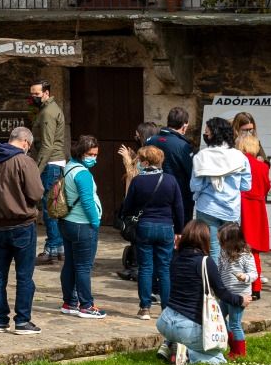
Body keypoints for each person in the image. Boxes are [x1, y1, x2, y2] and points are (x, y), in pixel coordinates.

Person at [0, 125, 45, 335]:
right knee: (24, 276)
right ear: (25, 142)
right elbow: (36, 193)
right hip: (21, 224)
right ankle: (22, 321)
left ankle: (0, 320)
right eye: (29, 146)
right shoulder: (24, 161)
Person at [157, 220, 248, 365]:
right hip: (186, 326)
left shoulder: (175, 257)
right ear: (205, 239)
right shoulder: (205, 262)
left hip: (165, 321)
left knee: (187, 338)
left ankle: (171, 344)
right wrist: (240, 300)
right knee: (218, 357)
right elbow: (222, 293)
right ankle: (186, 353)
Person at [119, 146, 185, 319]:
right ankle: (166, 308)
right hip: (165, 227)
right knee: (164, 269)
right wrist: (179, 230)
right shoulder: (171, 180)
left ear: (145, 162)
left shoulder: (138, 181)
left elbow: (127, 206)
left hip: (145, 225)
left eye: (140, 160)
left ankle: (145, 308)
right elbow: (178, 207)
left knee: (145, 268)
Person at [58, 134, 105, 319]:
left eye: (95, 154)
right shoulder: (83, 173)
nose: (94, 158)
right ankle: (86, 305)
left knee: (70, 264)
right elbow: (87, 201)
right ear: (81, 152)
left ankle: (69, 302)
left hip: (67, 222)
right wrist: (95, 222)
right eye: (91, 154)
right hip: (83, 225)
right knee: (84, 267)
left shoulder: (68, 167)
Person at [191, 117, 249, 267]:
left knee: (212, 248)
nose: (206, 135)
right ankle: (228, 281)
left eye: (207, 133)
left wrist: (208, 184)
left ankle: (214, 282)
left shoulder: (202, 156)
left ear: (214, 134)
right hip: (231, 209)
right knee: (231, 247)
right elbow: (246, 186)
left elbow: (195, 186)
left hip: (207, 207)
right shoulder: (240, 157)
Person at [115, 121, 162, 281]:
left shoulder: (147, 156)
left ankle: (136, 268)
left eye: (137, 134)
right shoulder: (153, 154)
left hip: (141, 203)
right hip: (153, 204)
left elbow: (135, 178)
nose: (134, 136)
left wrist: (128, 162)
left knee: (137, 235)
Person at [28, 80, 68, 266]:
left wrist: (37, 169)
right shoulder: (50, 109)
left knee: (49, 208)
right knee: (53, 206)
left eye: (36, 94)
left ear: (46, 92)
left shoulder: (48, 113)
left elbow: (47, 145)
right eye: (32, 93)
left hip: (50, 163)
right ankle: (58, 248)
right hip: (54, 162)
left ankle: (52, 249)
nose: (33, 97)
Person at [235, 133, 271, 299]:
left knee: (235, 247)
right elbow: (266, 188)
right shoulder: (263, 167)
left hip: (241, 207)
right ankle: (256, 287)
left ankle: (237, 285)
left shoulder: (238, 162)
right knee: (254, 250)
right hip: (257, 209)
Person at [147, 107, 196, 215]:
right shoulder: (183, 146)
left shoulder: (150, 140)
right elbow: (192, 172)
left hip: (151, 194)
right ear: (184, 125)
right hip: (177, 197)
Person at [217, 223, 253, 360]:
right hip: (226, 294)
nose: (220, 243)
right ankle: (232, 344)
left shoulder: (245, 255)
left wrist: (246, 277)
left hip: (239, 295)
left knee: (235, 323)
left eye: (222, 240)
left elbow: (253, 273)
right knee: (219, 317)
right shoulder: (223, 253)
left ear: (232, 241)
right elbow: (220, 269)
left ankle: (239, 352)